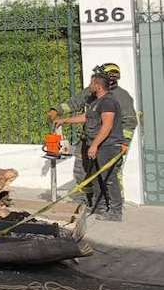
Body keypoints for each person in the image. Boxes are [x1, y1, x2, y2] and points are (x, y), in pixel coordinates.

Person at [47, 63, 137, 209]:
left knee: (111, 174)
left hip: (107, 144)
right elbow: (75, 103)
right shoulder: (92, 92)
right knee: (82, 171)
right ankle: (87, 200)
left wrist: (124, 143)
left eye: (96, 77)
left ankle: (114, 204)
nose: (92, 80)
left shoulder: (121, 97)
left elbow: (129, 121)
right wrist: (56, 111)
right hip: (87, 141)